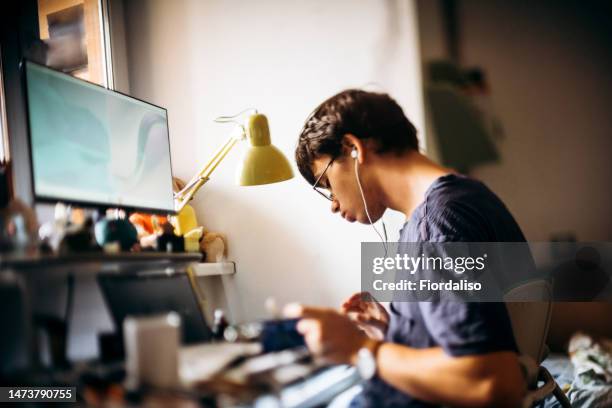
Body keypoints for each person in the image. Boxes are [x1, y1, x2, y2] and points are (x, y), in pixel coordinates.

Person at [286, 89, 527, 407]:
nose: (332, 204)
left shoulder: (437, 225)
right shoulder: (469, 196)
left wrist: (359, 348)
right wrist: (394, 329)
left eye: (326, 184)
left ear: (352, 148)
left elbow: (493, 382)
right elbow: (478, 327)